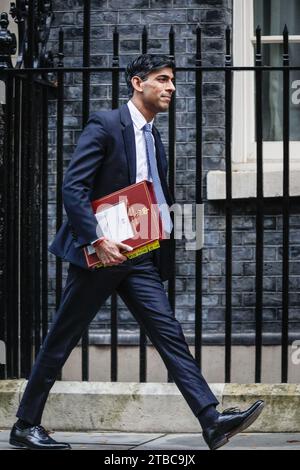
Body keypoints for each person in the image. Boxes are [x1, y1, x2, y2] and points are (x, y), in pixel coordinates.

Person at [9, 54, 264, 451]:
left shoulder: (153, 136)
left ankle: (211, 419)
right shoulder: (107, 125)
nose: (171, 88)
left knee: (170, 335)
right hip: (101, 255)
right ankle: (26, 424)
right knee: (62, 336)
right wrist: (95, 239)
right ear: (137, 82)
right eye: (162, 80)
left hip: (139, 256)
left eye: (172, 81)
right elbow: (73, 188)